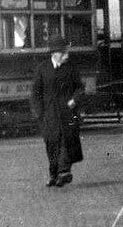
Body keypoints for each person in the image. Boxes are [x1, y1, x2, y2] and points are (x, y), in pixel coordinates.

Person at [31, 37, 84, 187]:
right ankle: (54, 175)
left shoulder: (71, 68)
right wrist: (39, 113)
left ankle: (64, 172)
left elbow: (80, 88)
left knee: (65, 142)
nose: (66, 55)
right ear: (54, 53)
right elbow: (36, 93)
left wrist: (74, 100)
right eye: (63, 53)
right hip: (49, 114)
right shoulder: (42, 68)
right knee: (51, 144)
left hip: (67, 112)